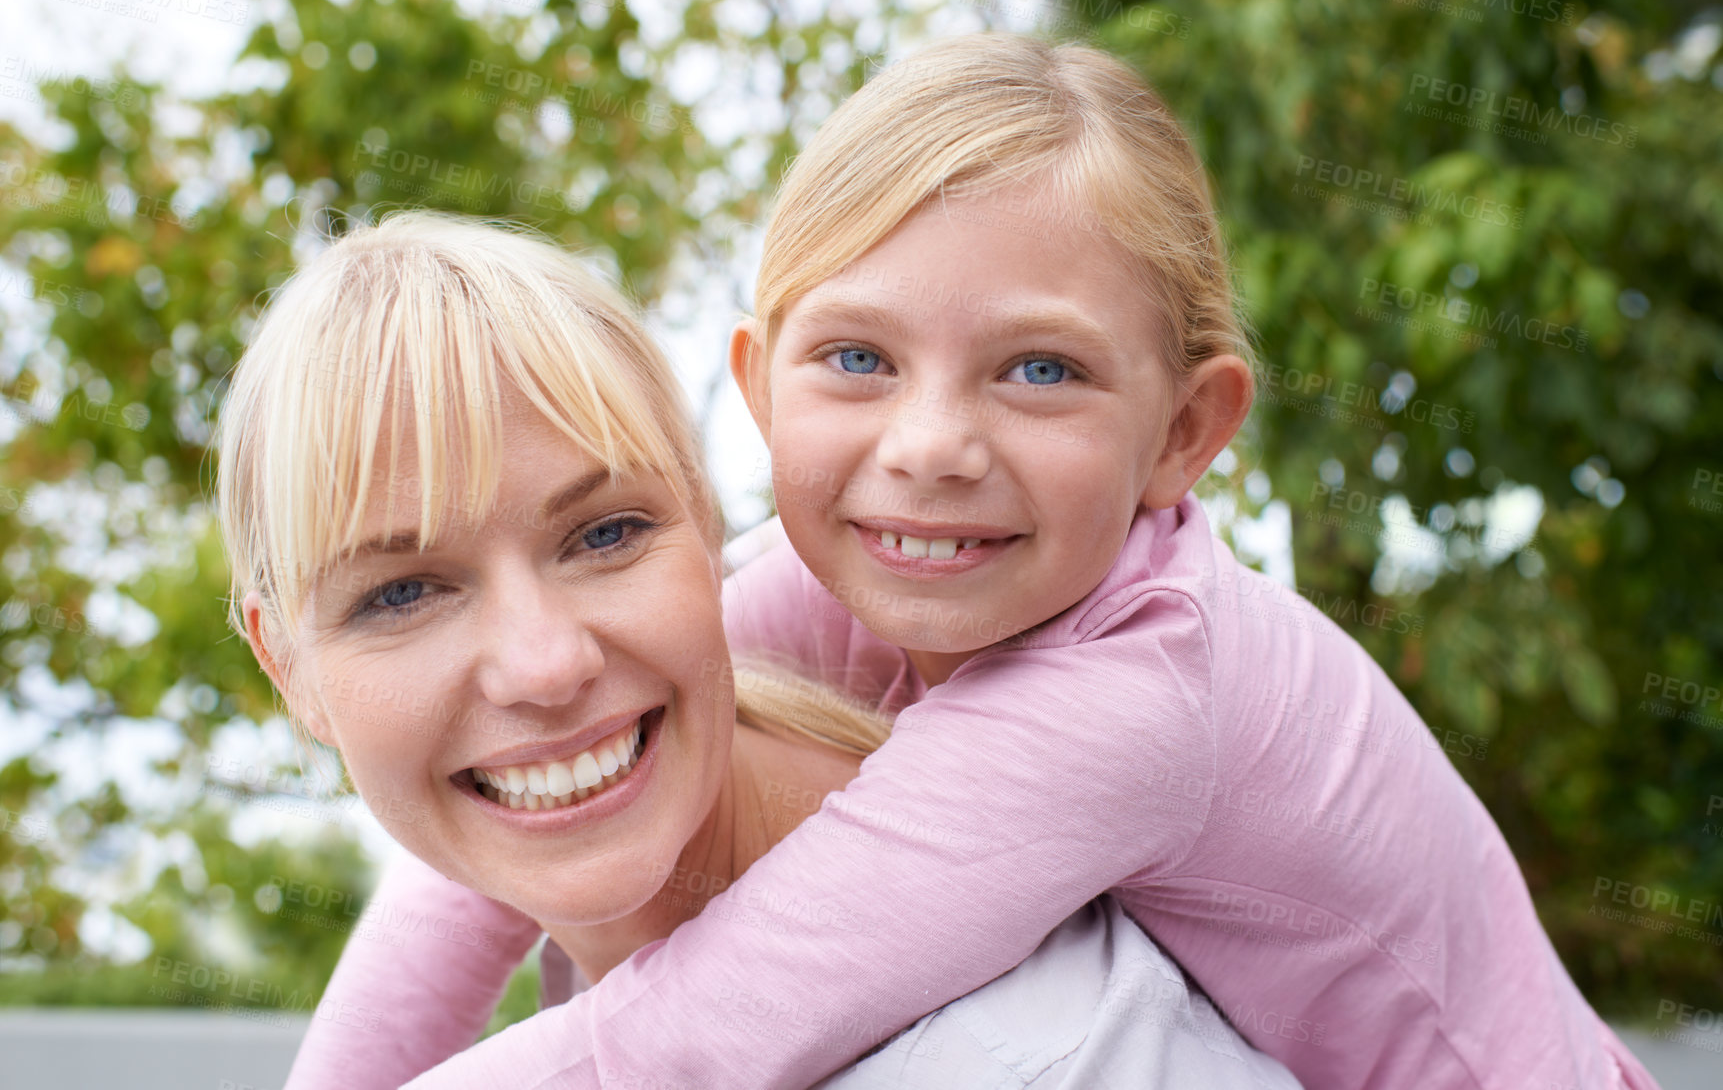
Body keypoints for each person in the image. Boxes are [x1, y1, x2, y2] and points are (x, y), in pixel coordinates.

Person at [285, 35, 1659, 1090]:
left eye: (1039, 368)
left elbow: (705, 1022)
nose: (929, 445)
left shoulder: (1137, 690)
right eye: (857, 358)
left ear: (1182, 432)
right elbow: (487, 829)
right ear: (760, 390)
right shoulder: (845, 575)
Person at [218, 212, 1305, 1089]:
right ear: (288, 667)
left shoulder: (1028, 1052)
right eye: (402, 593)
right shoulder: (625, 951)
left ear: (711, 533)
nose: (545, 665)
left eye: (604, 533)